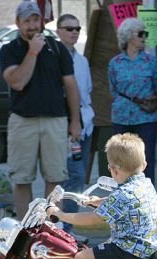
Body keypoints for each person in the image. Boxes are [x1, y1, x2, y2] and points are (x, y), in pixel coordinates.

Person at [44, 133, 157, 259]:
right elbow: (118, 202)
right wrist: (96, 201)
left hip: (129, 251)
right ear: (143, 164)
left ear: (114, 170)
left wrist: (59, 214)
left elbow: (91, 220)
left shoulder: (123, 194)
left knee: (81, 257)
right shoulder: (144, 183)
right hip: (149, 246)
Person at [0, 0, 81, 219]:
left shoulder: (57, 48)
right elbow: (17, 82)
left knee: (55, 178)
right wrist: (33, 52)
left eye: (36, 19)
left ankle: (49, 229)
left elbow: (71, 86)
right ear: (18, 23)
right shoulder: (9, 50)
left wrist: (75, 121)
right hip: (22, 120)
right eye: (27, 21)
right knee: (22, 178)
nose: (33, 25)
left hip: (55, 120)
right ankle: (25, 231)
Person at [108, 17, 157, 184]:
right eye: (141, 33)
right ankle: (122, 195)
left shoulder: (150, 61)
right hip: (121, 117)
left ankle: (146, 197)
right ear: (128, 36)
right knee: (120, 158)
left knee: (145, 159)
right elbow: (112, 88)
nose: (144, 37)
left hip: (145, 118)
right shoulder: (115, 63)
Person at [56, 14, 95, 243]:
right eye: (68, 28)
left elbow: (86, 90)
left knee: (78, 179)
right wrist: (73, 121)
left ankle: (66, 227)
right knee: (72, 175)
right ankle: (62, 227)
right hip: (66, 123)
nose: (74, 32)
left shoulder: (82, 61)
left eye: (77, 28)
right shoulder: (52, 58)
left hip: (85, 120)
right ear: (58, 31)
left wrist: (85, 118)